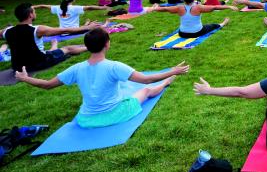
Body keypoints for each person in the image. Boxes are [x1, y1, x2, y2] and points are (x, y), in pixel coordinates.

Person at [14, 28, 189, 127]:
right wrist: (172, 71)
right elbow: (146, 79)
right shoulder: (114, 66)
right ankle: (166, 83)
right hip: (114, 115)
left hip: (86, 119)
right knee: (146, 90)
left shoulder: (76, 68)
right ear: (107, 44)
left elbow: (47, 85)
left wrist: (25, 78)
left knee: (132, 90)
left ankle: (165, 80)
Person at [2, 3, 98, 73]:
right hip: (38, 64)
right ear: (30, 15)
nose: (35, 13)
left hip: (17, 67)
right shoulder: (38, 29)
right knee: (67, 48)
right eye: (34, 11)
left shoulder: (6, 31)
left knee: (50, 51)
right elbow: (64, 30)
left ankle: (55, 46)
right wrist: (88, 27)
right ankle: (94, 46)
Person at [152, 0, 235, 38]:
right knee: (212, 26)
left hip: (182, 34)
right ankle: (223, 23)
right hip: (196, 32)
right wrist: (229, 6)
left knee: (204, 26)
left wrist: (154, 8)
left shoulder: (179, 7)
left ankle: (223, 23)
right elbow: (214, 7)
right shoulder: (198, 7)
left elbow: (165, 9)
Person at [33, 0, 108, 28]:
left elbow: (42, 6)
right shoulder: (74, 8)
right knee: (94, 26)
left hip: (62, 31)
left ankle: (86, 24)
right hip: (74, 31)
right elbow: (89, 7)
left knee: (89, 24)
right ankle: (104, 24)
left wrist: (32, 7)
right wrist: (102, 7)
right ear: (73, 0)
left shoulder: (57, 7)